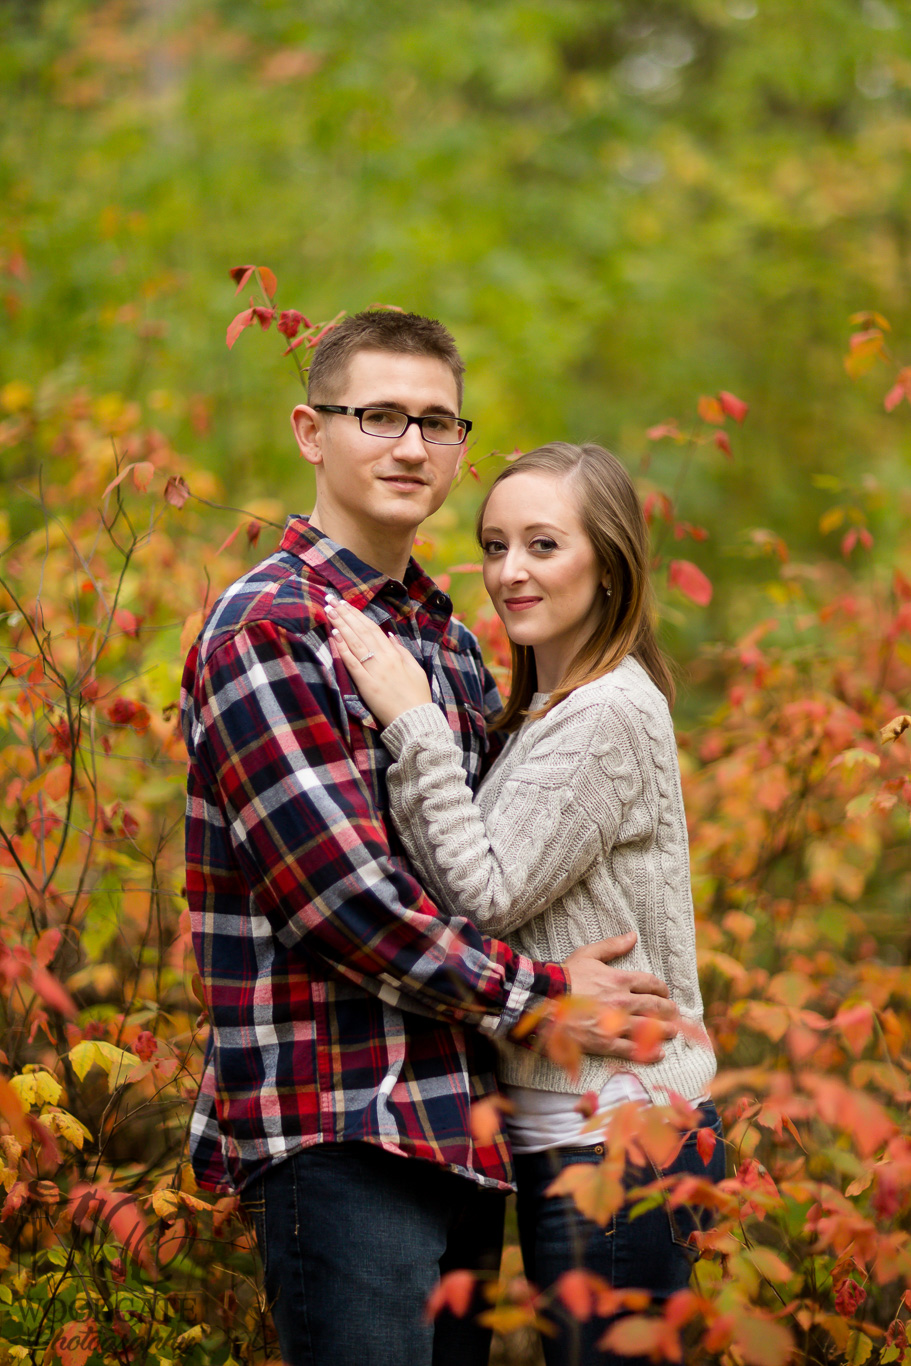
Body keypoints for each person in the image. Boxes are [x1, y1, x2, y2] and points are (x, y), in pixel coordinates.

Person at [181, 314, 680, 1366]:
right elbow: (344, 902)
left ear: (461, 444)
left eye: (435, 421)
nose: (410, 445)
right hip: (343, 1122)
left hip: (464, 1125)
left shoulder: (446, 640)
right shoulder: (272, 627)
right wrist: (544, 1000)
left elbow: (480, 876)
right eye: (378, 416)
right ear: (311, 431)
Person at [327, 440, 723, 1366]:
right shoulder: (548, 711)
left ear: (611, 562)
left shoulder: (607, 714)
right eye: (494, 544)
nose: (510, 572)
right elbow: (463, 884)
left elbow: (484, 894)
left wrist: (411, 719)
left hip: (620, 1139)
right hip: (563, 1137)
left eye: (543, 545)